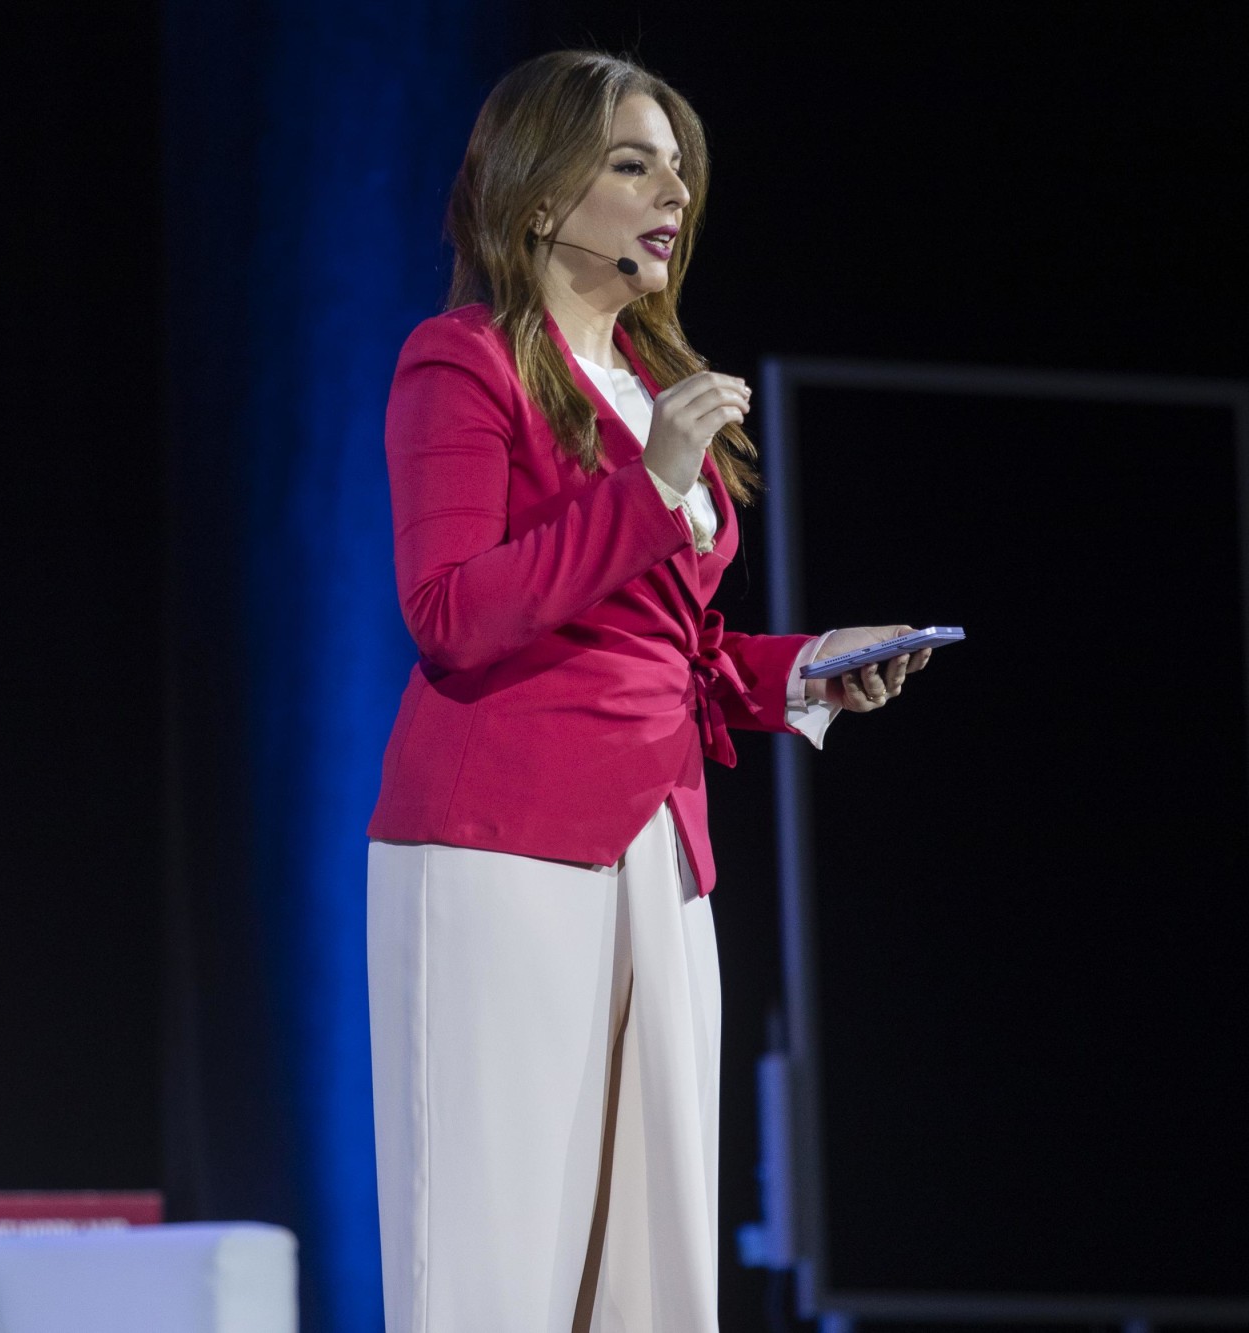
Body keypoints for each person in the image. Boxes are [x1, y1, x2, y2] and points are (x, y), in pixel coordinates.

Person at [364, 50, 933, 1333]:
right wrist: (648, 487)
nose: (668, 187)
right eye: (630, 161)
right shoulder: (460, 362)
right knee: (493, 1252)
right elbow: (448, 613)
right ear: (537, 194)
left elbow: (668, 646)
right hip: (499, 843)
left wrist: (808, 669)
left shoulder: (647, 385)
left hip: (659, 845)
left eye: (676, 164)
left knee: (652, 1259)